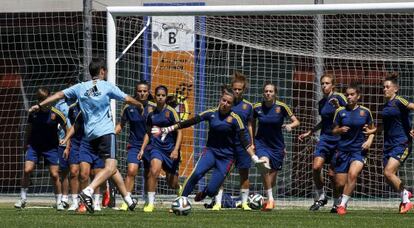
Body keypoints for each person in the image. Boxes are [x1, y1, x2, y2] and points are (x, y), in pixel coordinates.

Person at [29, 59, 142, 213]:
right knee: (110, 167)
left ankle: (128, 200)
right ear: (102, 71)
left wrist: (40, 105)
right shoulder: (107, 86)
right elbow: (127, 98)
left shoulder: (80, 87)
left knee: (112, 169)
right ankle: (88, 191)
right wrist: (139, 105)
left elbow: (58, 95)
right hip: (106, 133)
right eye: (105, 71)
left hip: (89, 136)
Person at [150, 86, 267, 207]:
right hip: (210, 152)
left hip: (226, 158)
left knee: (212, 190)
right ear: (220, 100)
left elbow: (245, 142)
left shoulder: (236, 119)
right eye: (224, 100)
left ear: (232, 105)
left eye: (229, 102)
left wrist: (255, 158)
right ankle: (181, 201)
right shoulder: (210, 113)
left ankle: (206, 192)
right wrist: (168, 129)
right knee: (196, 174)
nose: (225, 104)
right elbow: (190, 122)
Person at [298, 74, 347, 212]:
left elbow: (348, 113)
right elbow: (324, 122)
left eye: (327, 83)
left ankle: (337, 202)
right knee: (316, 167)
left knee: (333, 175)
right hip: (325, 139)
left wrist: (338, 107)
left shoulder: (339, 98)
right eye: (322, 83)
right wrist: (310, 132)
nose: (324, 86)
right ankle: (321, 196)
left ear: (333, 85)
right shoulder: (321, 103)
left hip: (338, 140)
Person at [15, 88, 68, 210]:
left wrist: (67, 143)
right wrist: (25, 143)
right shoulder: (33, 113)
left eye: (44, 99)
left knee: (55, 175)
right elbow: (29, 128)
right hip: (34, 146)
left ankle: (59, 201)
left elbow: (67, 128)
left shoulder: (56, 113)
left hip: (51, 147)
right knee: (27, 170)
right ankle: (22, 199)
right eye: (40, 99)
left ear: (49, 98)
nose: (42, 101)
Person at [253, 82, 300, 211]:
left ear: (275, 93)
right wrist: (252, 141)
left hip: (277, 146)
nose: (268, 93)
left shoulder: (282, 107)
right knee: (264, 166)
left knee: (271, 177)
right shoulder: (257, 107)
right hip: (261, 143)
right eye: (266, 91)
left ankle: (269, 199)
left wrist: (290, 126)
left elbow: (296, 121)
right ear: (263, 93)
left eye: (271, 91)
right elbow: (251, 124)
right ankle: (271, 200)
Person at [332, 83, 376, 215]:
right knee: (339, 184)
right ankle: (339, 201)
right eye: (347, 95)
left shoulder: (365, 112)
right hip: (343, 150)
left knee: (353, 174)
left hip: (358, 150)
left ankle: (342, 206)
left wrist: (369, 140)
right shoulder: (340, 111)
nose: (349, 97)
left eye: (352, 94)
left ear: (358, 96)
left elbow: (372, 130)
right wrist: (339, 129)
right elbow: (333, 130)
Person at [213, 71, 255, 211]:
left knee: (244, 174)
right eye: (235, 89)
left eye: (239, 89)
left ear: (244, 90)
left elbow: (250, 125)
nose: (237, 91)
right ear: (232, 88)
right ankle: (218, 203)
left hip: (243, 145)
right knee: (222, 173)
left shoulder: (248, 106)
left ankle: (244, 203)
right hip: (228, 145)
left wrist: (252, 143)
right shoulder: (225, 103)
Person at [138, 85, 182, 213]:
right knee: (154, 171)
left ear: (166, 97)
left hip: (170, 150)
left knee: (171, 182)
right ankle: (150, 204)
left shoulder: (172, 112)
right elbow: (148, 133)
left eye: (163, 95)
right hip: (156, 148)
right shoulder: (151, 115)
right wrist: (142, 149)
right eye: (158, 95)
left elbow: (180, 132)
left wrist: (176, 150)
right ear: (155, 97)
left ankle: (179, 188)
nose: (160, 97)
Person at [115, 81, 155, 211]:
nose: (142, 93)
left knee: (149, 174)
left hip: (151, 145)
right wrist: (110, 134)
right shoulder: (128, 107)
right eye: (140, 91)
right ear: (136, 91)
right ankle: (127, 201)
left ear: (148, 92)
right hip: (134, 145)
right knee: (131, 171)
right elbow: (121, 124)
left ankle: (149, 202)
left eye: (145, 91)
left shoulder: (154, 107)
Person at [381, 75, 414, 214]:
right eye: (383, 87)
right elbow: (386, 125)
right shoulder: (385, 106)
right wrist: (373, 130)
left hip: (402, 142)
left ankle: (406, 199)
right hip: (388, 144)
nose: (384, 89)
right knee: (388, 176)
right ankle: (405, 195)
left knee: (388, 172)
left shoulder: (399, 101)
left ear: (396, 89)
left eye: (388, 87)